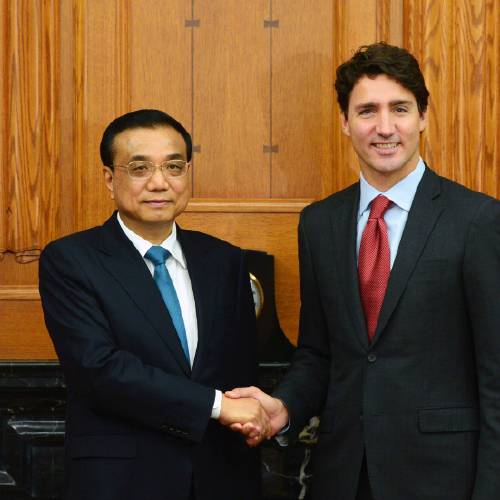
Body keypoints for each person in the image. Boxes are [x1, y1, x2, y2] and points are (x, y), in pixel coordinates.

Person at [227, 43, 500, 500]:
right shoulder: (319, 223)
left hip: (445, 478)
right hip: (344, 475)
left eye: (400, 109)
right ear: (345, 122)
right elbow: (319, 353)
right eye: (368, 111)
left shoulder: (477, 220)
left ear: (423, 116)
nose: (385, 127)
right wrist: (282, 407)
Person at [38, 109, 268, 500]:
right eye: (140, 168)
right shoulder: (71, 260)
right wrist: (216, 406)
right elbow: (98, 370)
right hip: (121, 480)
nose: (159, 183)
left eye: (174, 167)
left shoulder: (224, 260)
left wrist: (252, 414)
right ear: (110, 179)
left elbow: (240, 366)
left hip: (220, 477)